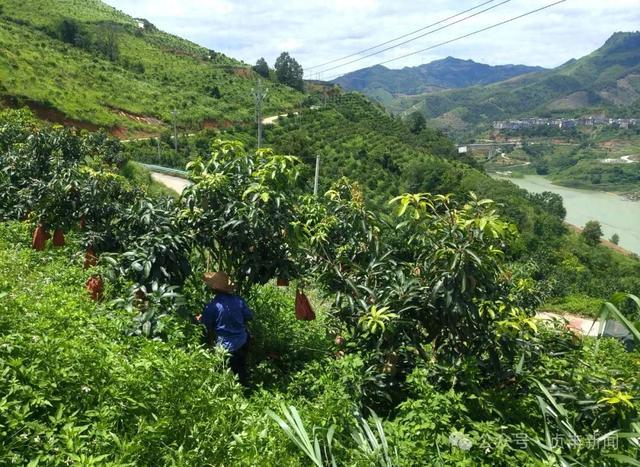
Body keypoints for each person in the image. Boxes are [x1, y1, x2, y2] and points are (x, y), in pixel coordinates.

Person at [200, 271, 254, 386]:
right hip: (242, 341)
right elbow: (249, 316)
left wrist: (200, 319)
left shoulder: (212, 306)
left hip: (225, 346)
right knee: (241, 372)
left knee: (223, 374)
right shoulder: (238, 300)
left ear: (213, 289)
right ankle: (246, 393)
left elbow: (207, 325)